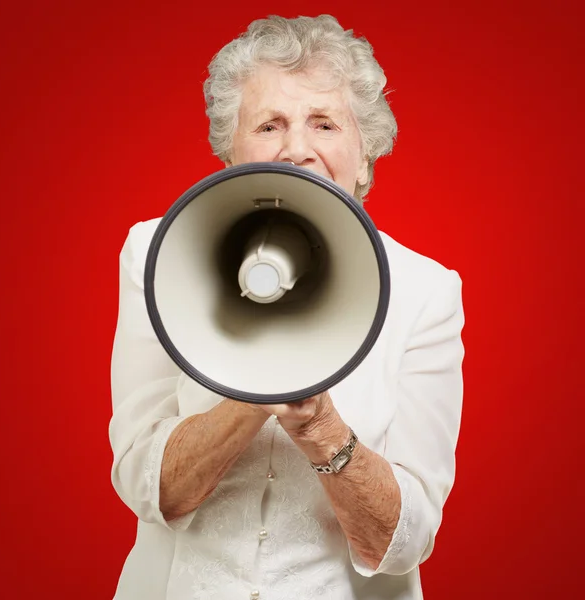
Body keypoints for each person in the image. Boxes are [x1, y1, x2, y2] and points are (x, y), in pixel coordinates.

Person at [109, 14, 465, 600]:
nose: (297, 149)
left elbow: (405, 543)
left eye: (324, 123)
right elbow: (144, 485)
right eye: (270, 125)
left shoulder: (425, 291)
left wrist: (319, 425)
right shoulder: (157, 253)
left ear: (365, 156)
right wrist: (250, 398)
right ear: (230, 153)